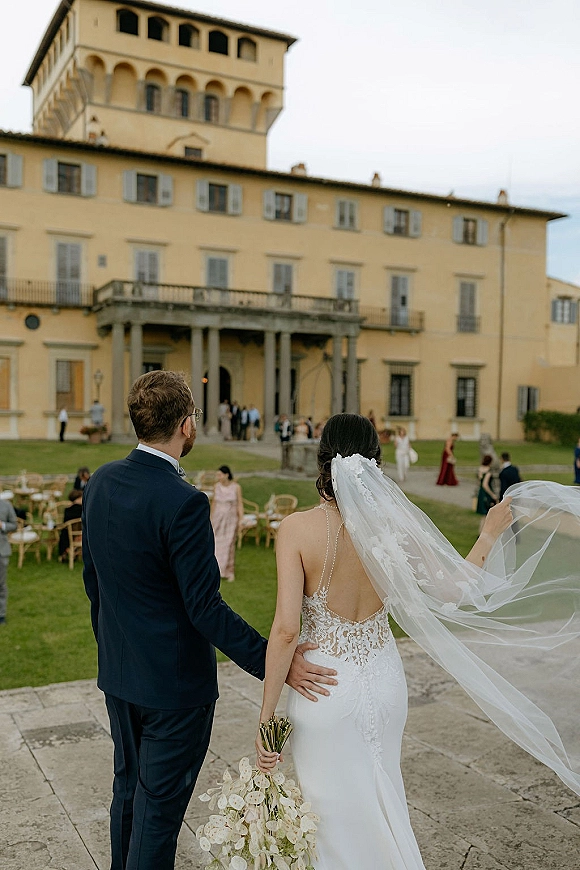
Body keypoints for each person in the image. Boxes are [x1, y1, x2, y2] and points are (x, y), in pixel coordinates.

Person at [255, 413, 580, 868]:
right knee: (385, 797)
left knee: (330, 818)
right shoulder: (394, 527)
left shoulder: (296, 529)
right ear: (375, 464)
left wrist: (267, 719)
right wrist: (487, 536)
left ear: (322, 461)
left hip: (324, 688)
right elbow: (456, 590)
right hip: (386, 684)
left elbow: (287, 630)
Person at [82, 370, 334, 870]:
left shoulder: (102, 482)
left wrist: (115, 648)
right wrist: (273, 662)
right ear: (186, 426)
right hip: (174, 695)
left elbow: (94, 582)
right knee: (155, 820)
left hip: (119, 675)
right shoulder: (183, 502)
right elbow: (204, 608)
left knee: (128, 798)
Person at [210, 465, 242, 582]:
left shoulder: (236, 487)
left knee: (229, 543)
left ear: (226, 475)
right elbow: (214, 503)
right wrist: (211, 518)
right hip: (218, 518)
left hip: (231, 518)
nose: (218, 477)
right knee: (216, 543)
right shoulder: (216, 487)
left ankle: (229, 571)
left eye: (220, 475)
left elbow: (239, 503)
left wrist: (241, 518)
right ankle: (216, 570)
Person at [0, 497, 18, 625]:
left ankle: (1, 614)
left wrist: (2, 525)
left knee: (1, 584)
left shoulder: (6, 505)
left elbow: (14, 525)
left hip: (1, 550)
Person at [58, 488, 83, 561]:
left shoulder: (68, 510)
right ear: (77, 499)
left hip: (71, 535)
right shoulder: (83, 509)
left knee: (64, 532)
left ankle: (66, 551)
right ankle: (72, 551)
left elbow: (65, 523)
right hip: (82, 534)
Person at [476, 454, 497, 531]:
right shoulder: (488, 472)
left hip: (481, 493)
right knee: (486, 514)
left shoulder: (480, 470)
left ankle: (481, 531)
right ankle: (482, 531)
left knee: (484, 515)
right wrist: (492, 494)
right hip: (486, 494)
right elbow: (485, 485)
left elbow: (479, 482)